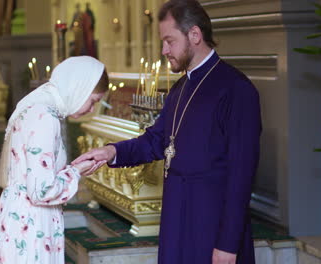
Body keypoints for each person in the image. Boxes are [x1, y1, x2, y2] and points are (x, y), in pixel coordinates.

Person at [72, 1, 261, 263]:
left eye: (169, 41)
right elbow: (156, 141)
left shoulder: (236, 89)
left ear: (194, 35)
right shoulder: (179, 89)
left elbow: (242, 174)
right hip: (176, 222)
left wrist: (228, 244)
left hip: (212, 229)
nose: (164, 50)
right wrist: (111, 151)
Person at [0, 56, 109, 264]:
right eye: (93, 101)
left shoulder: (38, 104)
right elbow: (41, 191)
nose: (91, 109)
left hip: (19, 214)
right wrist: (76, 171)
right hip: (32, 223)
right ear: (80, 87)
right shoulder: (45, 116)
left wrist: (71, 168)